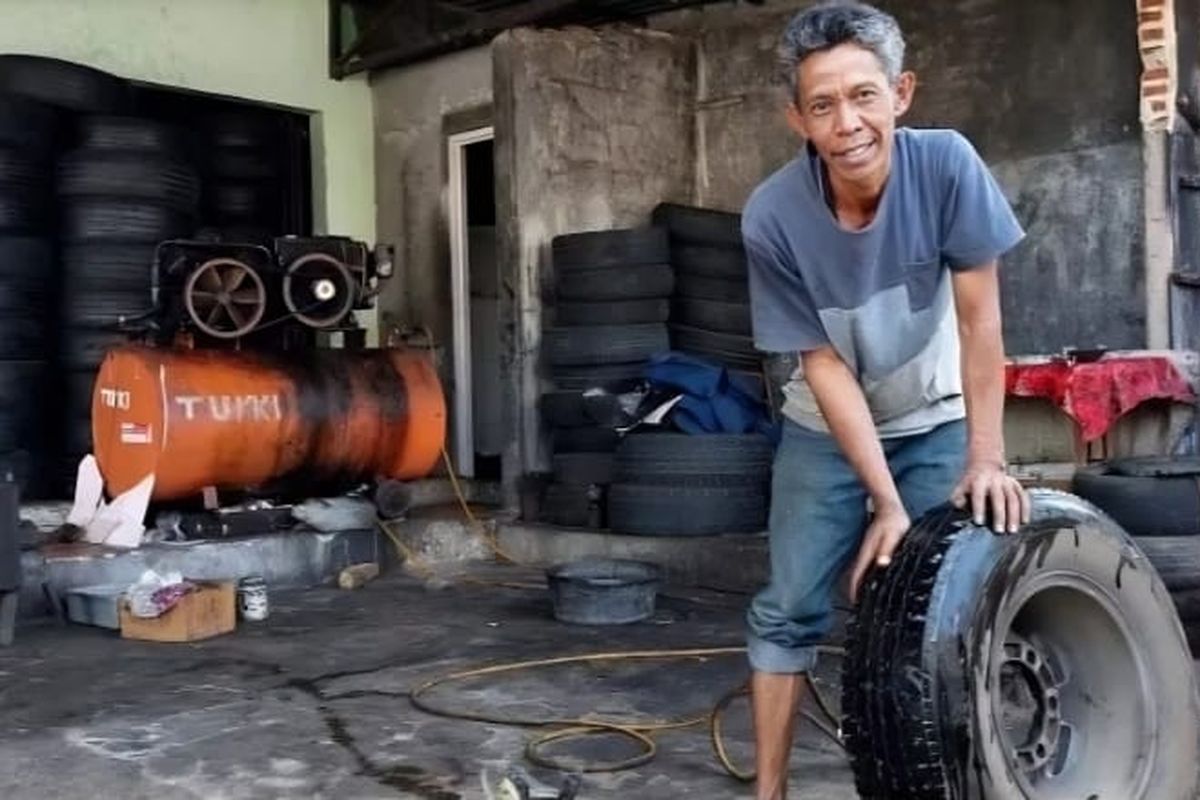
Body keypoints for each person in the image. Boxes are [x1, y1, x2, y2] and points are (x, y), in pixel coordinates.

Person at [740, 3, 1032, 798]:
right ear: (796, 117)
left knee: (936, 602)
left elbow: (981, 322)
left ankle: (949, 780)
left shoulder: (947, 166)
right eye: (824, 105)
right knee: (788, 607)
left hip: (936, 417)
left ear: (901, 93)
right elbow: (823, 364)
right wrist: (882, 499)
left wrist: (985, 456)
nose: (848, 123)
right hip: (823, 430)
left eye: (864, 95)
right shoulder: (772, 215)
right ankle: (769, 790)